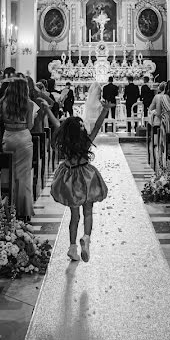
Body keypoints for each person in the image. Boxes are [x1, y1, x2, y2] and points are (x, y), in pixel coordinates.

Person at [49, 108, 112, 262]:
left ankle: (72, 247)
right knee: (88, 211)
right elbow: (97, 126)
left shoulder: (65, 142)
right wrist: (105, 110)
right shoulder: (85, 141)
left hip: (70, 176)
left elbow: (57, 125)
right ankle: (86, 237)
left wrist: (47, 110)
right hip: (86, 177)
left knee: (74, 216)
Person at [0, 80, 37, 220]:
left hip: (8, 137)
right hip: (23, 138)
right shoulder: (29, 104)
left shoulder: (4, 102)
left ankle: (9, 209)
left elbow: (1, 121)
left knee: (10, 174)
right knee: (24, 176)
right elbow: (30, 125)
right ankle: (24, 211)